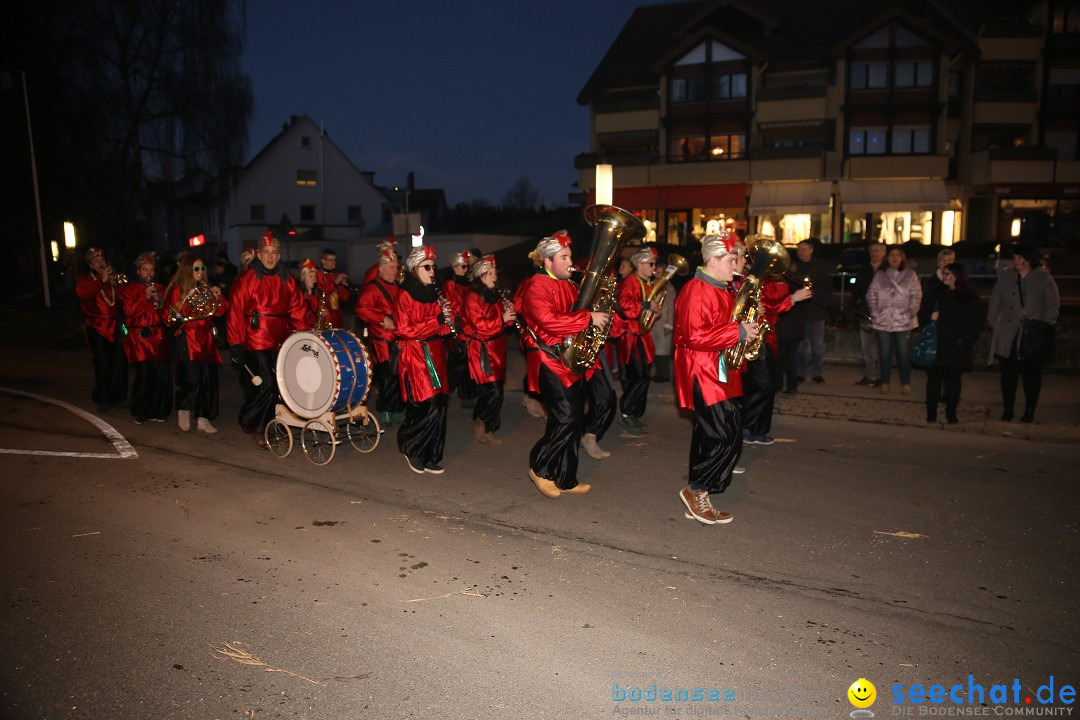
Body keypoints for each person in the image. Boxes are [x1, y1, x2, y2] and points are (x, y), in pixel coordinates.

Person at [673, 232, 758, 525]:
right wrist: (738, 332)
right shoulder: (696, 290)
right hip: (703, 370)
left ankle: (699, 489)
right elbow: (696, 336)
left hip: (719, 369)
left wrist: (743, 327)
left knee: (715, 431)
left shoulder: (722, 288)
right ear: (713, 260)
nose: (737, 264)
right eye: (731, 259)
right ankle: (696, 489)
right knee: (724, 433)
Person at [519, 230, 609, 499]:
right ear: (547, 261)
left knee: (575, 419)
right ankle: (541, 467)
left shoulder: (568, 284)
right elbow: (550, 321)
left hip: (569, 359)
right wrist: (588, 319)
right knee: (566, 417)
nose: (571, 262)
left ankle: (566, 477)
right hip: (549, 360)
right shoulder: (536, 285)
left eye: (569, 255)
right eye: (564, 257)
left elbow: (578, 317)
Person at [226, 232, 310, 448]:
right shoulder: (246, 279)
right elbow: (235, 311)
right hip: (255, 343)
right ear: (258, 254)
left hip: (281, 344)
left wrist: (302, 337)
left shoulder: (288, 280)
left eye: (274, 253)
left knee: (280, 387)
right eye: (266, 252)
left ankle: (271, 423)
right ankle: (257, 426)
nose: (270, 257)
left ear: (279, 255)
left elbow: (298, 310)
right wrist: (235, 344)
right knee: (267, 385)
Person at [395, 245, 452, 474]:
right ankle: (412, 447)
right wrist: (436, 320)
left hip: (436, 352)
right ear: (415, 269)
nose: (432, 272)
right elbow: (404, 330)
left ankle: (430, 455)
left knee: (439, 404)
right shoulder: (404, 294)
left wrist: (448, 319)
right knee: (426, 404)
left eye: (433, 267)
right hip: (416, 355)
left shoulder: (434, 294)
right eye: (427, 267)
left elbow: (443, 330)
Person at [987, 244, 1060, 422]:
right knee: (1008, 375)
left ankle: (1029, 410)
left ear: (1029, 260)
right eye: (1015, 258)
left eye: (1021, 258)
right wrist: (994, 321)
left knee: (1032, 377)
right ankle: (1008, 409)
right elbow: (995, 302)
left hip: (1032, 335)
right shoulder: (1006, 278)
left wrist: (1041, 321)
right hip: (1008, 334)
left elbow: (1053, 305)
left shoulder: (1043, 278)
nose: (1016, 261)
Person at [742, 264, 812, 444]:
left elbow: (774, 302)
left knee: (767, 386)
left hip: (769, 337)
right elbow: (771, 306)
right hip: (757, 338)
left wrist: (784, 284)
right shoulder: (754, 280)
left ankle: (759, 429)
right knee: (762, 385)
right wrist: (793, 298)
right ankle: (748, 427)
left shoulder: (770, 281)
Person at [165, 254, 227, 433]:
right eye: (196, 269)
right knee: (192, 378)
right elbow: (172, 315)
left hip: (206, 339)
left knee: (207, 379)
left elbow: (220, 312)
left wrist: (218, 296)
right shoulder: (178, 289)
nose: (200, 272)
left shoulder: (206, 289)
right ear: (188, 271)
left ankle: (203, 417)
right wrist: (186, 298)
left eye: (202, 268)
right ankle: (184, 409)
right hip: (188, 338)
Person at [461, 254, 516, 444]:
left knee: (494, 389)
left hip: (497, 347)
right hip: (482, 349)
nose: (495, 277)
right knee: (493, 390)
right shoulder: (473, 297)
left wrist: (508, 316)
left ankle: (486, 424)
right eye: (491, 273)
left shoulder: (495, 295)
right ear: (482, 276)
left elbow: (503, 325)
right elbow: (480, 325)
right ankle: (483, 424)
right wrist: (502, 319)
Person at [924, 263, 983, 424]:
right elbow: (924, 312)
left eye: (949, 274)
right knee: (934, 380)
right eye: (945, 273)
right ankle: (931, 414)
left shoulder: (968, 296)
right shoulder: (936, 293)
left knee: (953, 381)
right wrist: (931, 317)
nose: (945, 277)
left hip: (957, 346)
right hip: (937, 343)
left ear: (957, 276)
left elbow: (976, 322)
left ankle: (951, 413)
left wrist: (965, 340)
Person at [354, 246, 405, 428]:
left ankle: (397, 410)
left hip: (398, 337)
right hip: (382, 339)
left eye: (395, 267)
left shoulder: (397, 287)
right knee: (387, 375)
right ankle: (385, 410)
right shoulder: (372, 288)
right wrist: (382, 318)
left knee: (399, 374)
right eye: (391, 267)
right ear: (381, 269)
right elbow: (361, 309)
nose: (394, 270)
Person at [120, 252, 171, 424]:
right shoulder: (129, 289)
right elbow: (128, 312)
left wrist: (160, 301)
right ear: (138, 271)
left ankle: (159, 410)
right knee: (144, 375)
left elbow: (167, 314)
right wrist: (145, 297)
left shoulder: (161, 288)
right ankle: (140, 411)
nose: (148, 273)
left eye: (151, 269)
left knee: (161, 375)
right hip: (139, 338)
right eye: (144, 269)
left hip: (159, 337)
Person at [76, 246, 128, 413]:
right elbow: (82, 293)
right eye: (96, 261)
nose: (100, 263)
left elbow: (126, 297)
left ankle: (116, 396)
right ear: (91, 266)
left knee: (119, 362)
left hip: (116, 326)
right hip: (96, 327)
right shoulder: (86, 281)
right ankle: (102, 397)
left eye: (102, 260)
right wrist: (101, 280)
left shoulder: (114, 279)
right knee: (103, 364)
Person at [867, 246, 922, 395]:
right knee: (884, 353)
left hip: (902, 321)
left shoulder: (910, 275)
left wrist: (910, 312)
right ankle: (885, 382)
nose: (895, 258)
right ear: (887, 258)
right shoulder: (880, 275)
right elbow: (872, 294)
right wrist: (875, 312)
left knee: (903, 353)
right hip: (882, 321)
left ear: (902, 258)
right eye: (892, 255)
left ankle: (905, 382)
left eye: (898, 255)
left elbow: (916, 295)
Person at [617, 246, 658, 431]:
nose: (654, 267)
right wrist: (646, 305)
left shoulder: (646, 282)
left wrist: (653, 310)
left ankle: (632, 413)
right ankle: (627, 411)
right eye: (651, 263)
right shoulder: (631, 281)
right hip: (631, 337)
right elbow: (625, 306)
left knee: (641, 376)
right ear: (640, 263)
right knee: (640, 376)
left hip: (641, 336)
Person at [791, 239, 832, 384]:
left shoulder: (820, 267)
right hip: (800, 313)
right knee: (801, 346)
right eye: (799, 250)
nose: (800, 252)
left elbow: (827, 288)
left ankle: (817, 373)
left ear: (811, 250)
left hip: (817, 312)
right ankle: (801, 372)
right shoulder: (794, 267)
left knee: (817, 345)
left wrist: (825, 306)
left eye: (803, 249)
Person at [442, 250, 476, 409]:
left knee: (467, 361)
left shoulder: (466, 283)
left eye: (466, 266)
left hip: (467, 326)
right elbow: (451, 305)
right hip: (457, 327)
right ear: (455, 267)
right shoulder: (450, 283)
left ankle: (467, 394)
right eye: (463, 266)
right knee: (458, 361)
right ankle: (443, 389)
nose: (466, 269)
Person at [852, 242, 886, 386]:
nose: (874, 253)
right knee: (866, 347)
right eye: (871, 251)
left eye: (877, 251)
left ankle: (881, 377)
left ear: (883, 252)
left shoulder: (888, 270)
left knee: (882, 347)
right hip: (865, 313)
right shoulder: (864, 270)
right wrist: (858, 305)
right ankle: (870, 375)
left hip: (884, 315)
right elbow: (857, 291)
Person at [649, 259, 676, 383]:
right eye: (657, 272)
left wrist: (669, 324)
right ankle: (658, 373)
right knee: (654, 350)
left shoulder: (669, 288)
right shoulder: (652, 285)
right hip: (653, 323)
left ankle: (664, 375)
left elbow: (671, 307)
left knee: (662, 351)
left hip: (663, 323)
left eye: (660, 272)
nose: (657, 274)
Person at [918, 247, 956, 329]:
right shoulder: (929, 284)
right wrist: (929, 316)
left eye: (949, 260)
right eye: (943, 260)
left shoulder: (958, 283)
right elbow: (923, 306)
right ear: (938, 263)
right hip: (934, 325)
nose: (946, 263)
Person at [316, 248, 351, 329]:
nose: (333, 263)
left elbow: (344, 298)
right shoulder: (318, 274)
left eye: (334, 260)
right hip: (324, 316)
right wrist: (335, 282)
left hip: (337, 316)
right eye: (330, 260)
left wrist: (343, 285)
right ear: (323, 261)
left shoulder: (336, 274)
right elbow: (321, 293)